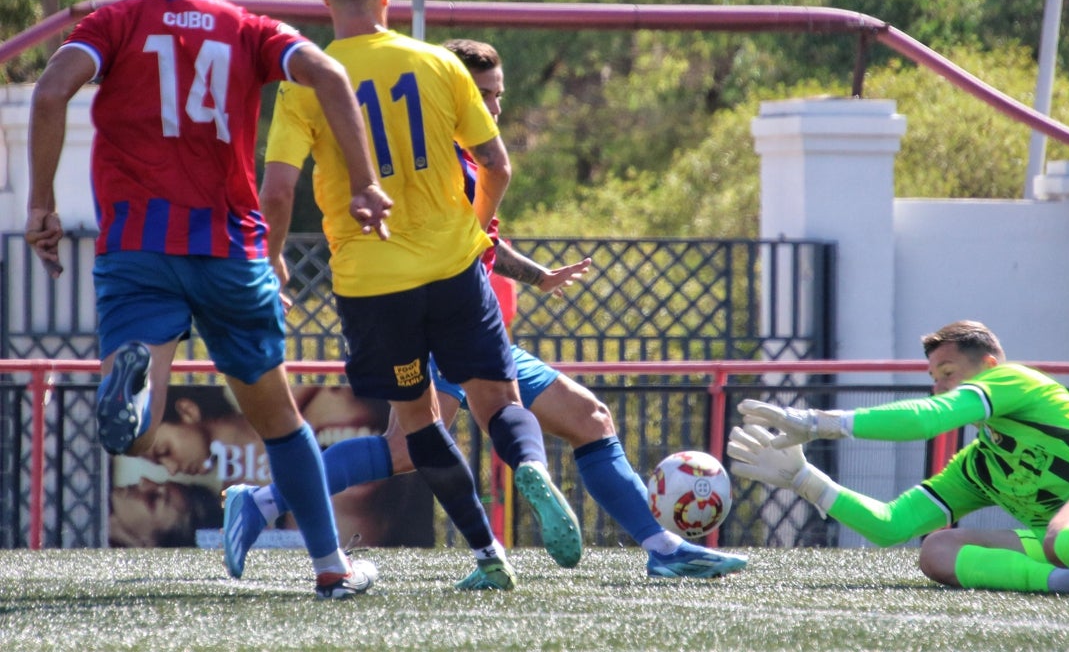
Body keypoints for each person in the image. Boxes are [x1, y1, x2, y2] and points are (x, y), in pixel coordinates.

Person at [226, 37, 748, 581]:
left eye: (497, 95)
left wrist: (537, 274)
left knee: (590, 419)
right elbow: (451, 240)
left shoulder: (470, 163)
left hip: (483, 331)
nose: (492, 107)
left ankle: (663, 548)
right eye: (481, 94)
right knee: (409, 447)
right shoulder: (434, 164)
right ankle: (265, 502)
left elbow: (484, 241)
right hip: (439, 330)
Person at [23, 0, 391, 599]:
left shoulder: (116, 22)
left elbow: (47, 95)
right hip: (230, 250)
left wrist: (41, 204)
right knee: (281, 422)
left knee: (137, 431)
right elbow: (331, 74)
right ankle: (331, 568)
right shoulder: (250, 28)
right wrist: (364, 184)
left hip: (137, 246)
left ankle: (132, 388)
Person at [227, 0, 581, 592]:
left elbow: (276, 189)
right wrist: (469, 233)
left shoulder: (304, 78)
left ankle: (487, 555)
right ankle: (527, 462)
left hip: (372, 283)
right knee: (499, 405)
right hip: (453, 270)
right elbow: (499, 166)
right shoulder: (440, 66)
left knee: (417, 427)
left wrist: (271, 259)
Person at [728, 319, 1069, 595]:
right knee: (937, 551)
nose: (939, 386)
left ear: (989, 367)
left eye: (948, 372)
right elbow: (891, 525)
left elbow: (927, 419)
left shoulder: (1017, 380)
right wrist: (807, 480)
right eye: (934, 377)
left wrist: (818, 421)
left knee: (1061, 534)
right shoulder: (978, 465)